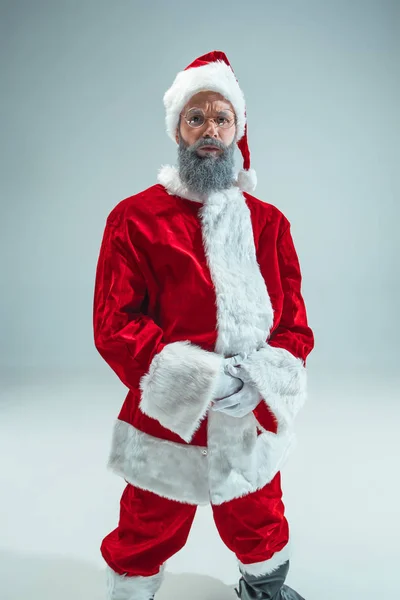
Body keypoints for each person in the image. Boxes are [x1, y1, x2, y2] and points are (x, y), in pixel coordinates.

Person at [93, 50, 315, 600]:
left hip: (247, 414)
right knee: (149, 520)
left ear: (239, 129)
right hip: (169, 416)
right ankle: (131, 592)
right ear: (178, 130)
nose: (209, 129)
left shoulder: (269, 224)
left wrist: (255, 381)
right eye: (197, 117)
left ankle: (262, 587)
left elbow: (294, 329)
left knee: (259, 514)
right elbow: (114, 323)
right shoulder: (134, 218)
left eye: (222, 117)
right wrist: (195, 380)